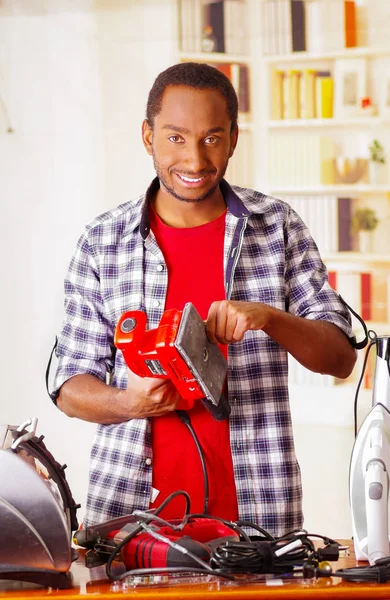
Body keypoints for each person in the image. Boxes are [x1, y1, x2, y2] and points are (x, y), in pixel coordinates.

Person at [51, 62, 357, 537]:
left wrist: (270, 319)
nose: (194, 160)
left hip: (259, 525)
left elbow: (340, 358)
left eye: (212, 138)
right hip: (129, 528)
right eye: (176, 138)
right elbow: (69, 385)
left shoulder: (277, 227)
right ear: (148, 136)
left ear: (234, 138)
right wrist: (130, 403)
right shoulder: (102, 241)